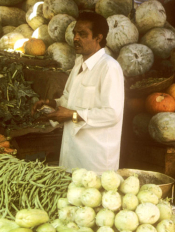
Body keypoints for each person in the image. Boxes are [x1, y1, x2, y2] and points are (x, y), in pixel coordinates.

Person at [32, 11, 124, 173]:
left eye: (82, 34)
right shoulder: (78, 64)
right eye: (75, 33)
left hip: (95, 161)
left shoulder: (109, 67)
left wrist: (72, 115)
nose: (76, 38)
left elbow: (112, 114)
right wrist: (51, 104)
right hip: (72, 154)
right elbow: (68, 99)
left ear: (98, 37)